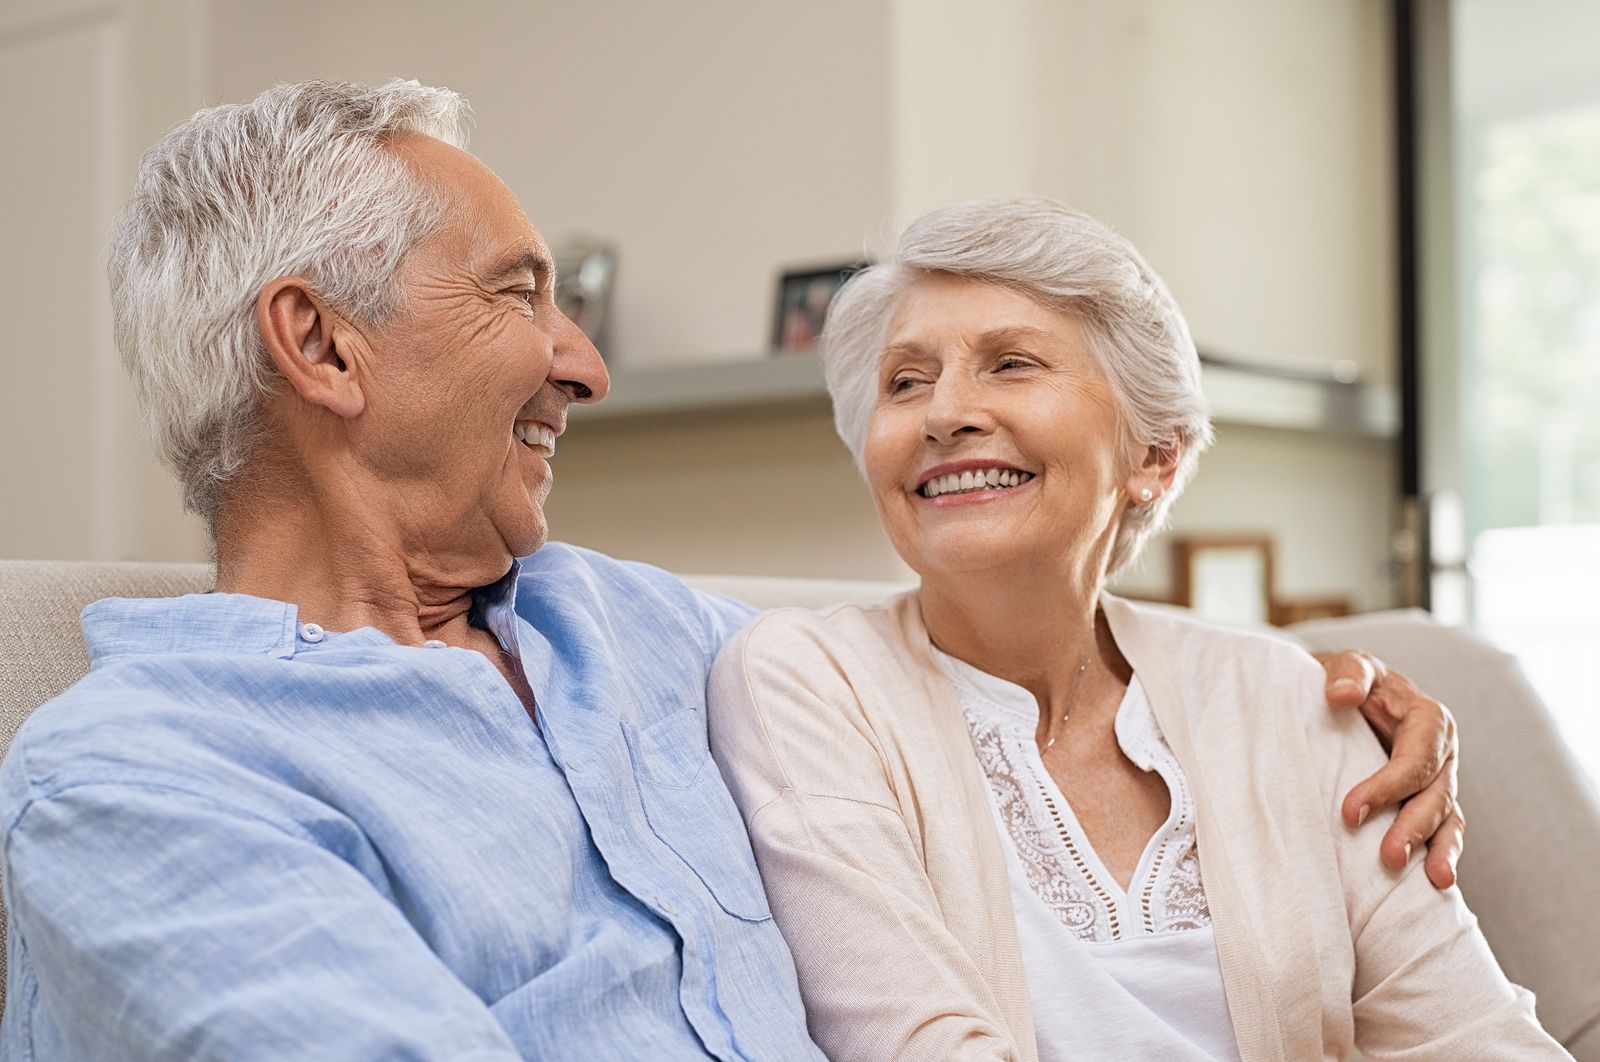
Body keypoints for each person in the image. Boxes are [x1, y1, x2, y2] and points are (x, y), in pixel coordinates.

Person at [0, 81, 1458, 1060]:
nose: (585, 364)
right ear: (320, 347)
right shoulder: (139, 779)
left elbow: (981, 643)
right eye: (522, 296)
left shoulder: (634, 628)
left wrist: (1335, 699)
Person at [706, 199, 1564, 1060]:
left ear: (1154, 456)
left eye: (1009, 364)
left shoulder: (1294, 697)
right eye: (906, 380)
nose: (944, 413)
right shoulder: (808, 680)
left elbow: (1477, 1037)